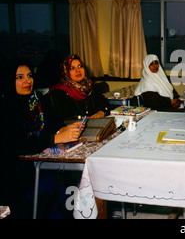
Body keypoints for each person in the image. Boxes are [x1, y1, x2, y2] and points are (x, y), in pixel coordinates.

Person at [0, 58, 84, 218]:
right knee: (56, 181)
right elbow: (18, 144)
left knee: (72, 175)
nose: (28, 81)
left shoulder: (36, 99)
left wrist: (64, 129)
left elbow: (53, 122)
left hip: (39, 160)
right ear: (8, 79)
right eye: (20, 77)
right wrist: (55, 139)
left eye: (30, 75)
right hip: (15, 171)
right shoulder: (5, 107)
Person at [43, 54, 110, 121]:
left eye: (80, 66)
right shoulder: (59, 93)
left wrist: (101, 112)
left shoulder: (89, 87)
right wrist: (80, 118)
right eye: (72, 68)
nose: (78, 70)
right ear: (66, 72)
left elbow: (105, 104)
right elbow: (60, 120)